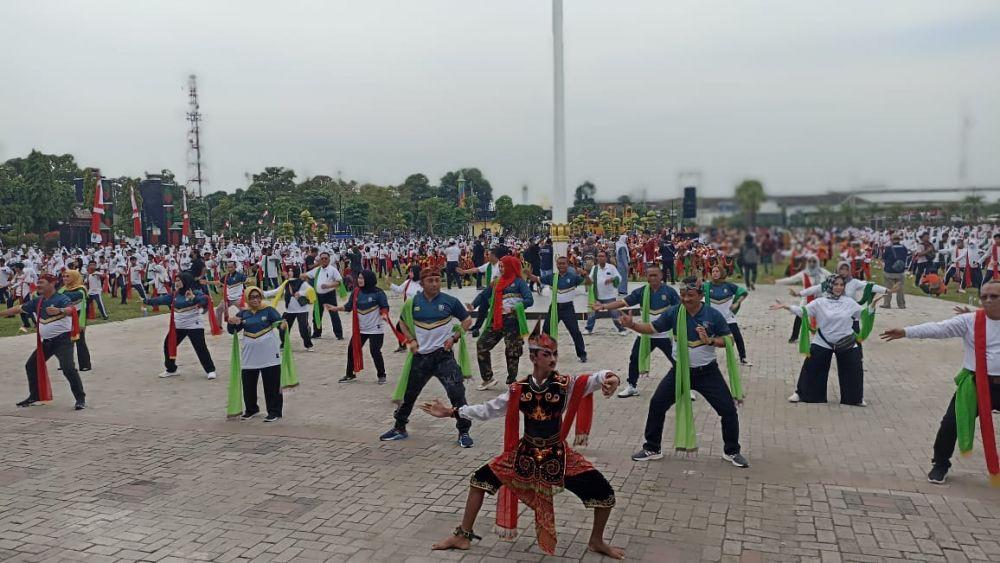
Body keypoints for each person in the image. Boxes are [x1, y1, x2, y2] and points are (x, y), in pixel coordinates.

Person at [422, 322, 625, 559]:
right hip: (524, 454)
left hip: (558, 455)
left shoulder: (565, 385)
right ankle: (462, 535)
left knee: (605, 494)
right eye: (547, 354)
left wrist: (613, 378)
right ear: (533, 357)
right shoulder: (519, 389)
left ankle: (596, 540)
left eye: (555, 354)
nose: (553, 359)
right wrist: (451, 412)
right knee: (479, 480)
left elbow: (596, 378)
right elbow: (488, 409)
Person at [880, 280, 1000, 485]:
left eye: (994, 296)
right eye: (984, 296)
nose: (987, 300)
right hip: (974, 383)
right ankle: (940, 464)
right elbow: (938, 328)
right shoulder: (970, 321)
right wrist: (906, 331)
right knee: (950, 424)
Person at [625, 277, 749, 468]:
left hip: (708, 373)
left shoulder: (713, 315)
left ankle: (732, 451)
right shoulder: (674, 313)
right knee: (657, 404)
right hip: (680, 371)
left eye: (690, 295)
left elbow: (729, 341)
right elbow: (651, 328)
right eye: (682, 295)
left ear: (700, 296)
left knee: (728, 410)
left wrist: (710, 340)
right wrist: (632, 325)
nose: (685, 299)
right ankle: (652, 448)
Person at [380, 267, 474, 446]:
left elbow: (467, 320)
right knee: (409, 394)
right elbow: (402, 323)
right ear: (422, 283)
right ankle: (399, 427)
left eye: (437, 280)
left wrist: (454, 338)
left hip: (443, 357)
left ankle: (464, 432)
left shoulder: (450, 302)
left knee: (457, 393)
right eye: (430, 281)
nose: (435, 284)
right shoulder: (412, 302)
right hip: (421, 358)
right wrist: (411, 340)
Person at [772, 274, 870, 406]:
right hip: (823, 341)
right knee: (811, 366)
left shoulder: (849, 302)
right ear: (829, 285)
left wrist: (872, 307)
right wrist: (787, 307)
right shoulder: (820, 302)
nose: (838, 287)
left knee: (854, 368)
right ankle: (801, 393)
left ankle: (855, 398)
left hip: (846, 341)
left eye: (841, 285)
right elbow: (804, 311)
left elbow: (863, 314)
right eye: (835, 284)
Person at [0, 273, 87, 410]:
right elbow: (19, 308)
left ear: (52, 284)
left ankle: (80, 398)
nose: (38, 285)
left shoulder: (61, 298)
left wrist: (59, 310)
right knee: (31, 365)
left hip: (62, 341)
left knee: (68, 368)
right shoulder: (37, 300)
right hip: (46, 342)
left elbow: (71, 309)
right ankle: (35, 396)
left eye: (42, 282)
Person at [594, 265, 679, 398]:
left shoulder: (670, 292)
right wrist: (604, 306)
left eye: (655, 275)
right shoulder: (642, 292)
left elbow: (680, 312)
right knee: (634, 359)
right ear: (647, 277)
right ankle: (632, 386)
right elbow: (623, 302)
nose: (653, 278)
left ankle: (687, 386)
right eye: (650, 275)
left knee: (678, 361)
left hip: (665, 335)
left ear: (661, 276)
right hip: (645, 334)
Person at [144, 272, 218, 379]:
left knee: (200, 347)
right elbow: (161, 300)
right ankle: (171, 369)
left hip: (194, 325)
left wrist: (193, 298)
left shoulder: (195, 292)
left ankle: (210, 370)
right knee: (168, 344)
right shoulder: (174, 295)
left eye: (179, 280)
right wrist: (147, 301)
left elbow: (205, 300)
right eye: (176, 281)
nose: (176, 283)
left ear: (185, 281)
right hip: (178, 326)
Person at [227, 286, 286, 422]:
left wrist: (282, 325)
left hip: (269, 354)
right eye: (252, 297)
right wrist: (231, 323)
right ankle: (251, 409)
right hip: (249, 355)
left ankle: (274, 411)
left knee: (271, 383)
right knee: (248, 383)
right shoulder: (243, 314)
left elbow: (279, 322)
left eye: (258, 296)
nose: (255, 300)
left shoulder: (269, 310)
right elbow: (232, 330)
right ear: (247, 298)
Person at [475, 255, 533, 390]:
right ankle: (488, 378)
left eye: (503, 266)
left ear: (511, 267)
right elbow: (484, 295)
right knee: (481, 345)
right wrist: (472, 305)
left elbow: (529, 300)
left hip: (512, 321)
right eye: (500, 266)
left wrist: (513, 308)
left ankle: (511, 381)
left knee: (512, 351)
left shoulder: (519, 283)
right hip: (497, 320)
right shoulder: (497, 282)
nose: (500, 269)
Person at [326, 270, 391, 384]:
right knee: (352, 349)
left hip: (376, 329)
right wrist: (335, 308)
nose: (359, 280)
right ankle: (350, 374)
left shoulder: (378, 293)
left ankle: (381, 375)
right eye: (359, 278)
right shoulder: (356, 292)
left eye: (362, 278)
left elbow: (384, 306)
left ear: (369, 279)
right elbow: (348, 306)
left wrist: (384, 314)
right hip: (361, 329)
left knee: (375, 351)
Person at [530, 256, 591, 363]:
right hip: (554, 308)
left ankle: (582, 354)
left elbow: (589, 283)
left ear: (568, 264)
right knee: (546, 330)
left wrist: (585, 274)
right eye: (559, 264)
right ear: (556, 265)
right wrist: (528, 274)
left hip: (568, 308)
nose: (561, 265)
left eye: (564, 263)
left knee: (575, 332)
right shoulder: (551, 277)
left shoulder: (573, 277)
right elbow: (537, 279)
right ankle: (544, 353)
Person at [775, 255, 831, 343]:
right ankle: (794, 337)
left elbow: (834, 278)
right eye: (810, 261)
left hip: (820, 299)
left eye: (814, 261)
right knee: (799, 315)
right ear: (807, 262)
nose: (812, 263)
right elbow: (791, 279)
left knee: (824, 317)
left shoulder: (822, 272)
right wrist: (777, 282)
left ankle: (826, 337)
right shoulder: (804, 273)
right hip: (806, 298)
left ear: (817, 262)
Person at [706, 266, 751, 365]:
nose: (715, 273)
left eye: (717, 271)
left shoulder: (729, 286)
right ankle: (705, 360)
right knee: (705, 338)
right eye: (713, 271)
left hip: (728, 318)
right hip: (713, 320)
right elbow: (696, 293)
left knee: (738, 337)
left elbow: (744, 293)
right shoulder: (707, 286)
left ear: (722, 273)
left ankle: (743, 358)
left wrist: (737, 303)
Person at [265, 265, 316, 352]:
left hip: (302, 310)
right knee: (282, 327)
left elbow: (311, 290)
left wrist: (301, 293)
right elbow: (276, 291)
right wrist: (263, 293)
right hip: (289, 310)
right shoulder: (286, 283)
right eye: (289, 271)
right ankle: (284, 344)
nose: (289, 272)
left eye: (291, 271)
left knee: (303, 329)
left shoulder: (302, 283)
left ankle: (308, 345)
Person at [303, 251, 345, 340]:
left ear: (329, 259)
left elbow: (339, 282)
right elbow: (306, 275)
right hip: (318, 296)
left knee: (334, 315)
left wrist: (328, 285)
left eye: (326, 258)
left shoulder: (333, 269)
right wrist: (294, 277)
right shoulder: (317, 270)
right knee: (316, 314)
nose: (324, 260)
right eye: (322, 258)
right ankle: (317, 333)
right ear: (320, 260)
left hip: (329, 295)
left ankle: (339, 334)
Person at [585, 251, 626, 335]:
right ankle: (588, 329)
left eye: (602, 256)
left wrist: (612, 279)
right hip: (597, 296)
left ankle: (622, 329)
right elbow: (590, 279)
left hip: (610, 296)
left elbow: (619, 278)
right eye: (599, 256)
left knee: (615, 313)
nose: (601, 258)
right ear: (597, 258)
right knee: (592, 313)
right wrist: (584, 276)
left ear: (606, 258)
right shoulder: (594, 268)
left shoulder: (611, 267)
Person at [59, 269, 92, 372]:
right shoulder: (63, 289)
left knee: (79, 340)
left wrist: (56, 297)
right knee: (65, 341)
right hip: (66, 317)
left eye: (68, 276)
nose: (65, 278)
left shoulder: (81, 289)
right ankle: (66, 364)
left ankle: (85, 364)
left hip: (78, 317)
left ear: (74, 277)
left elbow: (72, 297)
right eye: (64, 276)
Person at [881, 233, 909, 309]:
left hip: (889, 271)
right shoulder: (903, 248)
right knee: (900, 289)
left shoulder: (888, 248)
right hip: (900, 272)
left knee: (888, 288)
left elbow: (883, 257)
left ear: (892, 240)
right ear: (899, 240)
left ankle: (887, 303)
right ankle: (901, 304)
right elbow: (906, 256)